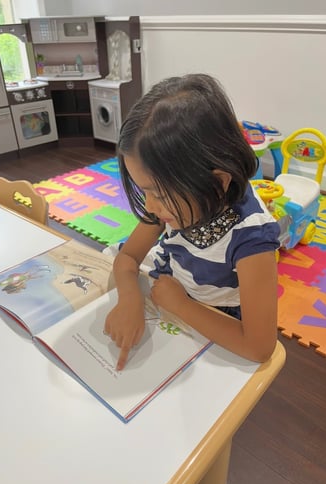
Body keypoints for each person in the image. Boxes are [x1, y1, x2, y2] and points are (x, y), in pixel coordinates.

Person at [104, 73, 280, 370]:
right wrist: (129, 298)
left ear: (216, 183)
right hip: (169, 292)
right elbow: (128, 257)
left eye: (157, 193)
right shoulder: (177, 201)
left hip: (214, 321)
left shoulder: (252, 240)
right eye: (144, 191)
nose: (150, 206)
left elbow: (259, 347)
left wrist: (180, 305)